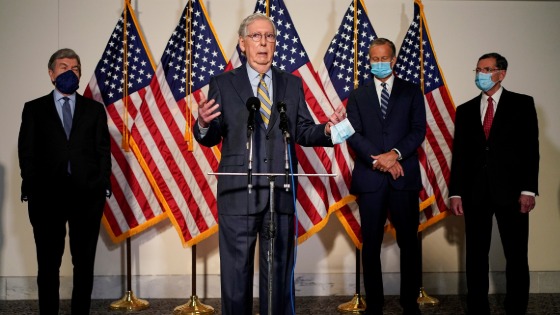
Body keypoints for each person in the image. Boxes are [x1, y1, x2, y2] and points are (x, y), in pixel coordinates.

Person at [194, 13, 345, 315]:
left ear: (276, 43)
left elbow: (302, 130)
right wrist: (202, 123)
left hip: (281, 193)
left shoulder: (292, 84)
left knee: (278, 276)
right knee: (235, 279)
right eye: (256, 36)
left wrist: (328, 129)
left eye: (269, 37)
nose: (263, 43)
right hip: (238, 193)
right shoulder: (223, 83)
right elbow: (212, 137)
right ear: (242, 43)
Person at [18, 48, 112, 314]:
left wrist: (101, 182)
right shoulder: (34, 109)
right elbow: (26, 152)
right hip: (47, 197)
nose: (69, 72)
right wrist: (33, 185)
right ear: (51, 74)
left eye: (74, 68)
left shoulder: (94, 110)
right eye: (63, 67)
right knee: (48, 262)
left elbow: (103, 150)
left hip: (87, 196)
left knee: (84, 262)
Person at [449, 52, 539, 315]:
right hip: (474, 193)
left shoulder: (522, 104)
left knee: (516, 255)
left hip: (513, 193)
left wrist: (528, 189)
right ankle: (478, 307)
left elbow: (530, 150)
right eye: (478, 70)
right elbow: (461, 155)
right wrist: (455, 193)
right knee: (476, 255)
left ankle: (516, 307)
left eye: (487, 69)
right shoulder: (464, 110)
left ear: (502, 73)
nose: (481, 75)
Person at [346, 38, 426, 315]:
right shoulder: (358, 94)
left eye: (383, 59)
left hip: (404, 176)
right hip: (371, 179)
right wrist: (382, 160)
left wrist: (394, 154)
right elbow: (354, 134)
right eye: (373, 59)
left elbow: (418, 131)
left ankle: (409, 304)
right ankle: (375, 305)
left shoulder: (411, 92)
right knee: (371, 245)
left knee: (409, 242)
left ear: (393, 60)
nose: (378, 63)